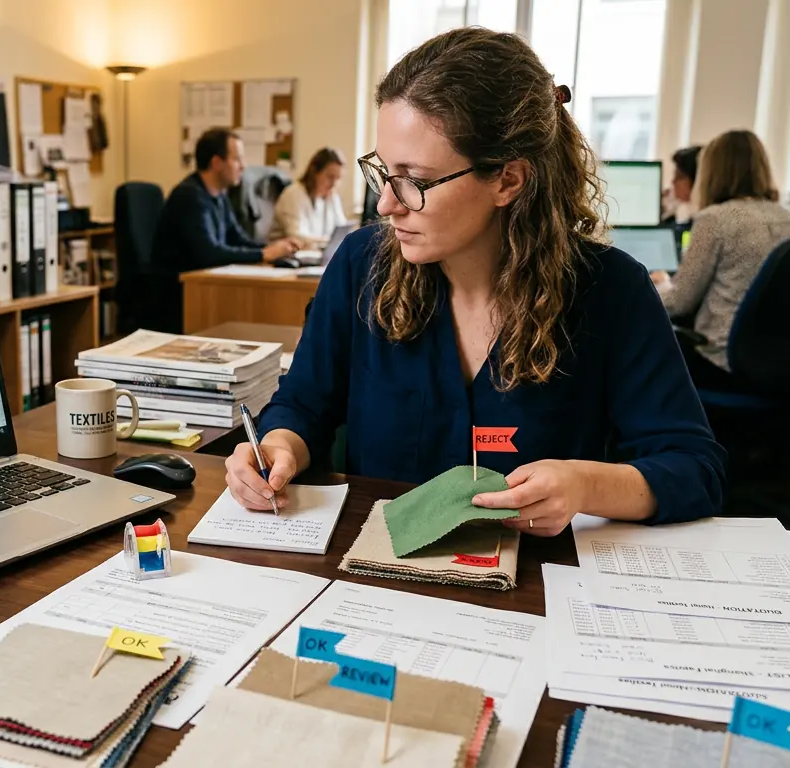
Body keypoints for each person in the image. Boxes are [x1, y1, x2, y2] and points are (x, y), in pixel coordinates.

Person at [223, 27, 725, 537]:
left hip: (534, 578)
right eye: (383, 172)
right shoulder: (361, 265)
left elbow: (693, 467)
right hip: (372, 566)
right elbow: (302, 405)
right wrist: (278, 447)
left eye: (415, 180)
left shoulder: (610, 289)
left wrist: (583, 485)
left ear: (507, 180)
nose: (387, 204)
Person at [651, 130, 790, 390]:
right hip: (785, 363)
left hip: (723, 361)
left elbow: (678, 303)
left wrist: (646, 290)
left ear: (711, 171)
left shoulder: (715, 219)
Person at [153, 128, 300, 275]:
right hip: (181, 284)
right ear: (217, 163)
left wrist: (274, 248)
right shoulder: (189, 196)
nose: (243, 166)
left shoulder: (219, 195)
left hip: (205, 279)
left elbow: (237, 239)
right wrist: (263, 254)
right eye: (237, 159)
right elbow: (208, 254)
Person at [269, 148, 349, 244]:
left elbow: (341, 230)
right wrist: (331, 242)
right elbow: (297, 237)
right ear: (314, 172)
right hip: (289, 252)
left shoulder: (332, 197)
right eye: (330, 177)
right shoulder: (294, 194)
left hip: (317, 251)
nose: (334, 184)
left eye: (338, 178)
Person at [662, 145, 701, 225]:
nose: (673, 181)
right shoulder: (688, 213)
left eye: (679, 177)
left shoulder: (706, 220)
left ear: (697, 180)